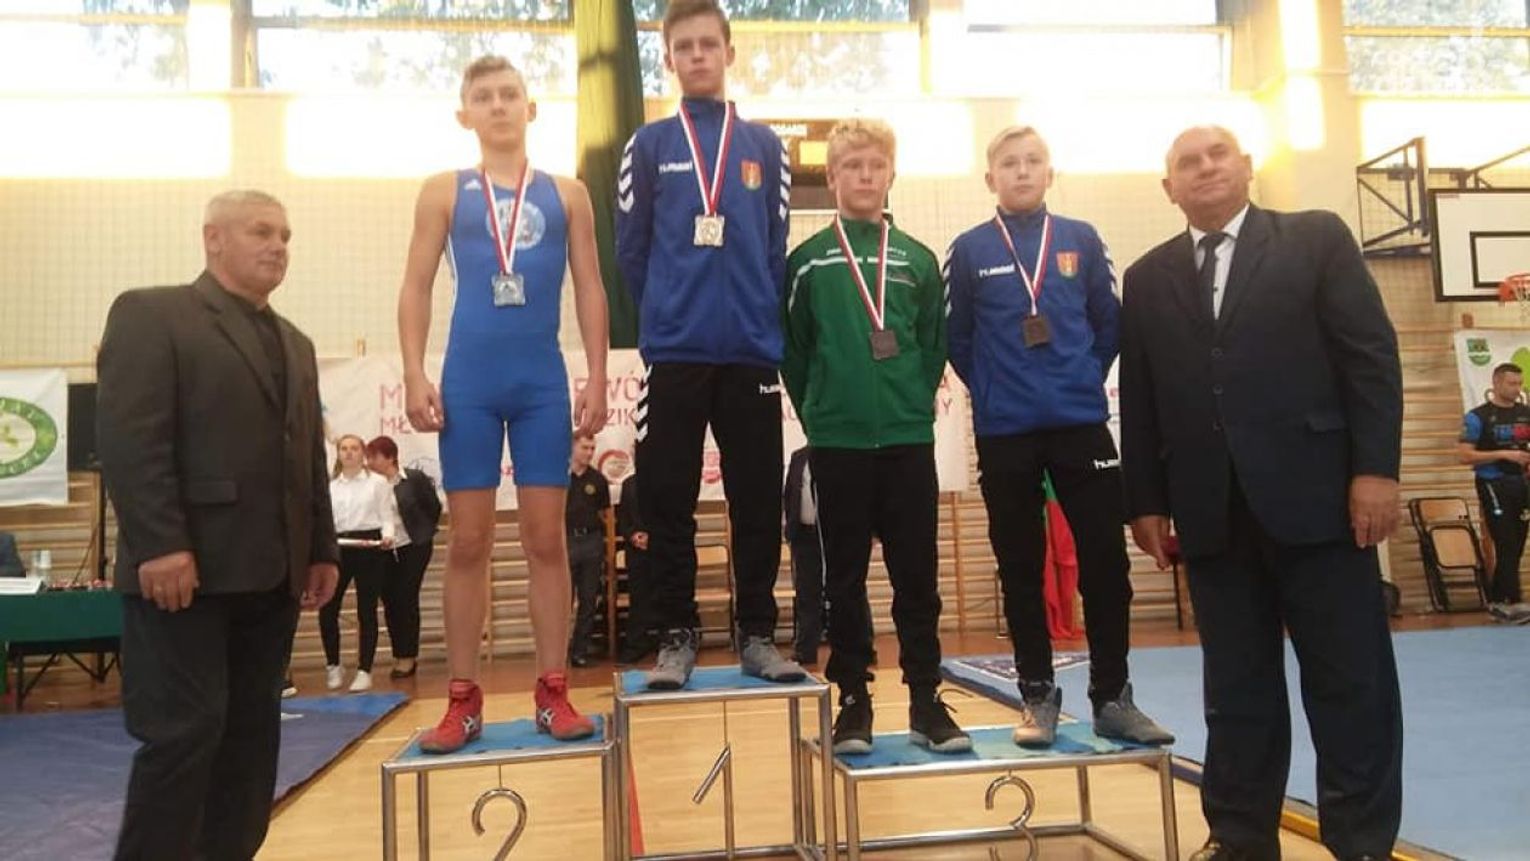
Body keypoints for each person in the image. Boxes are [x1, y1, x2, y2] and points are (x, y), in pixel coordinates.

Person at [1119, 125, 1403, 861]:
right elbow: (1141, 398)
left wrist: (1377, 470)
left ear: (1246, 167)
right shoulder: (1147, 278)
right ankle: (1240, 838)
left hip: (1324, 503)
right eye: (1187, 162)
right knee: (1235, 692)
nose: (1205, 167)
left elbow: (1370, 357)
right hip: (1212, 512)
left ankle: (1362, 843)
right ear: (1169, 188)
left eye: (1218, 154)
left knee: (1351, 684)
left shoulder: (1316, 239)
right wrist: (1144, 499)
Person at [97, 189, 340, 860]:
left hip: (272, 578)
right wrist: (160, 544)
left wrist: (321, 547)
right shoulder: (153, 314)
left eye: (285, 235)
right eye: (262, 231)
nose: (278, 246)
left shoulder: (297, 344)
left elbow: (307, 456)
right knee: (183, 736)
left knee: (250, 743)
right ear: (213, 238)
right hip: (184, 575)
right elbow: (131, 441)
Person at [399, 55, 609, 753]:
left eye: (509, 94)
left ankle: (554, 690)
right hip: (470, 381)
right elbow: (416, 286)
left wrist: (598, 376)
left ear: (530, 108)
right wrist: (414, 372)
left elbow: (590, 286)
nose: (497, 105)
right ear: (465, 114)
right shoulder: (444, 192)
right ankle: (462, 699)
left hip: (541, 382)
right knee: (467, 541)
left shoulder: (568, 194)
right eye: (484, 97)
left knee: (547, 540)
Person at [944, 126, 1172, 748]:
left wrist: (1079, 377)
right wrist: (996, 389)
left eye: (1033, 161)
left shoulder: (1081, 239)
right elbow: (956, 337)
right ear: (989, 178)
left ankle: (1113, 696)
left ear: (1051, 172)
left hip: (1080, 424)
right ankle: (1037, 696)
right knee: (1020, 567)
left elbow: (1108, 323)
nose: (1021, 171)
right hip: (1005, 431)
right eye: (1009, 163)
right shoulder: (968, 250)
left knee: (1106, 564)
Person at [615, 0, 801, 689]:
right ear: (668, 58)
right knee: (668, 498)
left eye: (707, 44)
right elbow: (631, 250)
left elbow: (775, 247)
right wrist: (670, 311)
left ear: (728, 53)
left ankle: (756, 632)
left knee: (757, 498)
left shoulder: (766, 148)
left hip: (750, 350)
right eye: (684, 46)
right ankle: (677, 633)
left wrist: (753, 312)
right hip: (676, 351)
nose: (696, 55)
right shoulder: (647, 146)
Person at [781, 119, 970, 755]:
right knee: (844, 579)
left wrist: (912, 401)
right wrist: (821, 413)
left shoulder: (917, 259)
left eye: (875, 165)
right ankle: (853, 701)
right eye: (852, 166)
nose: (865, 176)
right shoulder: (807, 262)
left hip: (908, 442)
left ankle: (925, 699)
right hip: (838, 442)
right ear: (831, 177)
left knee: (918, 577)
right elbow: (794, 351)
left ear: (892, 174)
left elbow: (934, 343)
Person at [319, 433, 397, 693]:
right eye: (344, 448)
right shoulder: (331, 487)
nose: (349, 453)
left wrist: (387, 536)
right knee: (328, 608)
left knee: (367, 610)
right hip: (339, 547)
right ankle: (333, 664)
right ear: (338, 453)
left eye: (354, 448)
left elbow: (386, 516)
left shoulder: (378, 483)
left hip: (369, 547)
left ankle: (365, 670)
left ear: (363, 453)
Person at [784, 444, 875, 666]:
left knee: (850, 587)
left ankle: (863, 646)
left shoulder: (838, 453)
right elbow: (790, 493)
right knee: (807, 592)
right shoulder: (798, 457)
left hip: (835, 532)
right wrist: (790, 528)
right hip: (805, 536)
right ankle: (806, 649)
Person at [366, 435, 444, 678]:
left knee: (406, 598)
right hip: (383, 549)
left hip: (413, 546)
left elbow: (433, 507)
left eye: (374, 457)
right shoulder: (369, 484)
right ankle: (399, 653)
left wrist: (423, 531)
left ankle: (408, 657)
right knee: (390, 601)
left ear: (390, 457)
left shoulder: (414, 478)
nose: (370, 462)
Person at [1458, 362, 1530, 623]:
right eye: (1511, 383)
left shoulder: (1526, 413)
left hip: (1521, 484)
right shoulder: (1478, 417)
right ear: (1496, 383)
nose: (1516, 388)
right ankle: (1514, 600)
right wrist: (1503, 454)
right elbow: (1464, 456)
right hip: (1493, 483)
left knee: (1517, 544)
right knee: (1506, 542)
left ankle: (1498, 601)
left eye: (1519, 383)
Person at [566, 432, 611, 666]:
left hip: (591, 541)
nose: (589, 453)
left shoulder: (598, 480)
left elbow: (605, 513)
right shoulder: (561, 478)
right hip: (566, 541)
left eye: (592, 448)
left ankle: (579, 652)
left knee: (589, 598)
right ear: (573, 448)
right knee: (563, 600)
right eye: (585, 448)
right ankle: (557, 651)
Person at [616, 470, 658, 663]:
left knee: (664, 595)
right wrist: (633, 535)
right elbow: (623, 518)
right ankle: (636, 644)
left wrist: (653, 536)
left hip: (660, 547)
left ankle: (666, 640)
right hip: (636, 550)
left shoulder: (663, 480)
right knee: (638, 597)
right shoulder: (628, 484)